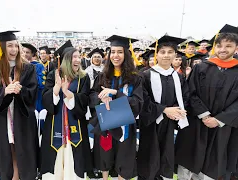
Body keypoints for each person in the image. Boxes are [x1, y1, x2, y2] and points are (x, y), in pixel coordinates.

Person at [175, 24, 238, 180]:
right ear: (215, 47)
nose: (223, 49)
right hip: (198, 123)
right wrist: (204, 115)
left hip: (224, 126)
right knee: (190, 159)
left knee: (214, 163)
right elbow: (190, 92)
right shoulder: (202, 67)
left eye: (228, 46)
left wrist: (219, 119)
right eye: (220, 46)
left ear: (236, 48)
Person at [0, 31, 38, 180]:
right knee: (8, 149)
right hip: (2, 117)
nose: (14, 50)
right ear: (1, 47)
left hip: (22, 116)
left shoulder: (28, 68)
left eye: (16, 46)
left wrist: (21, 90)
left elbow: (33, 93)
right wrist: (4, 92)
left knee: (23, 151)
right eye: (9, 46)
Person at [89, 35, 144, 180]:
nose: (115, 56)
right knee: (104, 155)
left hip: (125, 125)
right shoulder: (103, 76)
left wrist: (116, 93)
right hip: (105, 123)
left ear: (126, 54)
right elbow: (92, 95)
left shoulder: (135, 78)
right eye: (112, 52)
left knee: (124, 157)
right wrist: (101, 98)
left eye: (119, 52)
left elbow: (138, 102)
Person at [137, 35, 189, 180]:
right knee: (149, 157)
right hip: (151, 124)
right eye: (163, 52)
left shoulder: (179, 77)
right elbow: (143, 100)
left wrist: (177, 111)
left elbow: (185, 97)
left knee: (166, 155)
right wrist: (165, 110)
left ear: (175, 55)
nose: (166, 55)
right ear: (157, 55)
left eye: (170, 52)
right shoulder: (145, 75)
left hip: (170, 123)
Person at [40, 42, 93, 179]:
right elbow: (46, 101)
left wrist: (68, 93)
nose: (77, 60)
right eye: (73, 57)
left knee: (74, 163)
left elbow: (85, 99)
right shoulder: (53, 75)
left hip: (76, 128)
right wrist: (57, 88)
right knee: (54, 165)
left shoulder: (83, 77)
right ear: (66, 60)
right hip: (54, 126)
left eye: (78, 56)